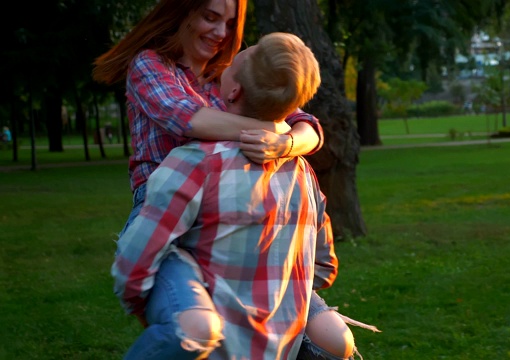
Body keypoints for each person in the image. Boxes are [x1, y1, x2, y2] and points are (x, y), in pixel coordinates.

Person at [112, 32, 369, 359]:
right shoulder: (303, 173)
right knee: (335, 341)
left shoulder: (196, 162)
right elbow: (323, 266)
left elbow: (136, 262)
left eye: (234, 63)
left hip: (214, 346)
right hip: (279, 350)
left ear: (232, 91)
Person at [92, 0, 324, 240]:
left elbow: (309, 129)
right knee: (143, 271)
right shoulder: (150, 64)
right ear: (184, 12)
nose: (222, 33)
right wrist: (275, 129)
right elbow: (188, 120)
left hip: (231, 201)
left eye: (230, 24)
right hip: (164, 207)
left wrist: (285, 144)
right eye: (211, 18)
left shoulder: (231, 75)